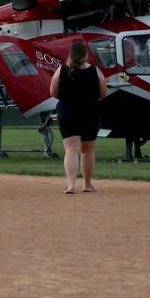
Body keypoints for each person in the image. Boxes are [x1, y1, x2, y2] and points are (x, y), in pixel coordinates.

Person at [49, 40, 108, 194]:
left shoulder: (61, 70)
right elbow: (103, 93)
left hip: (68, 111)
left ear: (70, 54)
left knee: (71, 149)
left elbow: (53, 92)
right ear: (85, 54)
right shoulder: (95, 70)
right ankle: (88, 184)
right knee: (88, 150)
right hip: (90, 111)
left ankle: (71, 185)